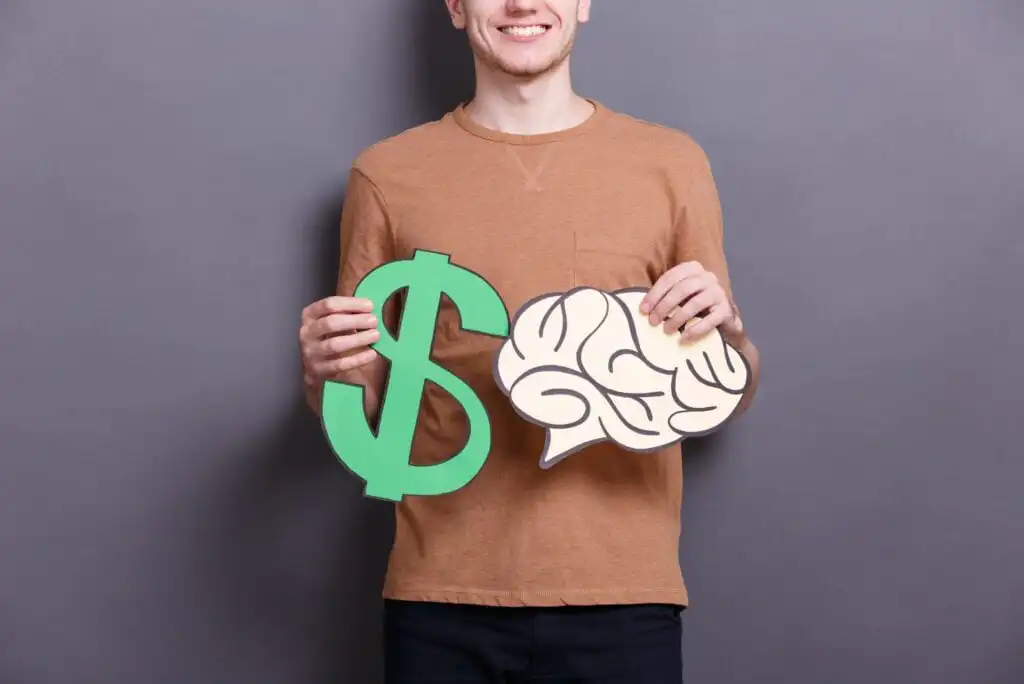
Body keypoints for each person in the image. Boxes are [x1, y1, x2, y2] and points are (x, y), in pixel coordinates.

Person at [298, 0, 761, 681]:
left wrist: (730, 341)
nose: (520, 3)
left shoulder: (671, 164)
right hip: (440, 600)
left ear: (582, 3)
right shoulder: (386, 174)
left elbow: (731, 387)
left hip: (624, 595)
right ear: (456, 8)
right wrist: (325, 374)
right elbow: (361, 405)